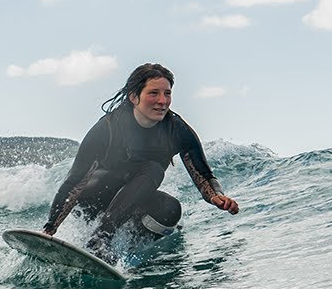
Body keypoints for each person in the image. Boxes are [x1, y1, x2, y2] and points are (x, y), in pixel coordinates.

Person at [42, 62, 239, 264]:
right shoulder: (108, 127)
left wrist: (216, 196)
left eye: (167, 94)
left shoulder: (176, 130)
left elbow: (204, 176)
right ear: (134, 97)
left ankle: (122, 256)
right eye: (154, 93)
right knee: (153, 169)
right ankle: (100, 239)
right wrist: (50, 229)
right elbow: (75, 181)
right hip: (95, 199)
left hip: (128, 204)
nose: (162, 101)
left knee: (170, 209)